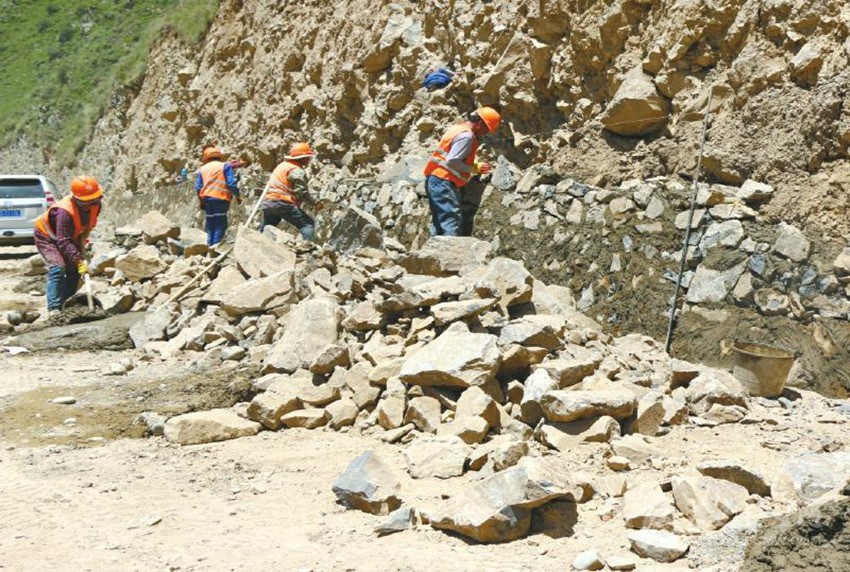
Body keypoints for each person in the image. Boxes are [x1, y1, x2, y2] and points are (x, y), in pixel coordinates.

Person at [423, 106, 501, 236]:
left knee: (439, 221)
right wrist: (474, 168)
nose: (485, 132)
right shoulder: (467, 136)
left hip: (435, 178)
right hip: (443, 180)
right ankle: (448, 248)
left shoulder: (457, 129)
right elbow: (452, 161)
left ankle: (434, 247)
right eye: (486, 128)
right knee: (450, 219)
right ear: (480, 123)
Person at [33, 176, 103, 317]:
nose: (92, 203)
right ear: (77, 199)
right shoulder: (63, 212)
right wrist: (79, 260)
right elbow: (63, 241)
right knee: (58, 268)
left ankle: (66, 304)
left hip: (70, 236)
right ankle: (54, 309)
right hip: (47, 236)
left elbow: (85, 225)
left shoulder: (96, 205)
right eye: (88, 200)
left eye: (95, 199)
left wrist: (81, 247)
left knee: (74, 271)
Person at [259, 142, 321, 241]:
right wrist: (315, 204)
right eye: (307, 157)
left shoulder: (283, 165)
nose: (309, 160)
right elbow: (301, 193)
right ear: (302, 158)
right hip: (282, 202)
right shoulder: (296, 170)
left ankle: (256, 244)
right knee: (307, 224)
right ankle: (307, 248)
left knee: (267, 226)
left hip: (269, 202)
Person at [195, 145, 240, 246]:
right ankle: (215, 247)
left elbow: (198, 187)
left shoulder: (202, 169)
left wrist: (201, 201)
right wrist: (238, 196)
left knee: (210, 224)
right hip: (220, 198)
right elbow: (231, 184)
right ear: (219, 156)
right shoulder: (224, 166)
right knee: (220, 225)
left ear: (206, 158)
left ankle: (210, 246)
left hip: (207, 200)